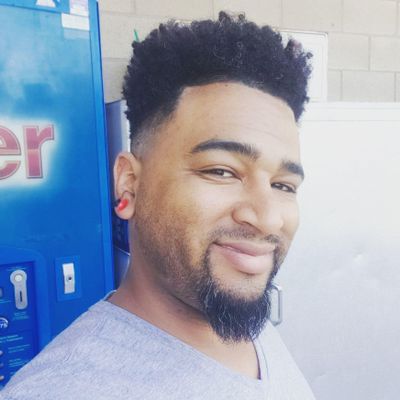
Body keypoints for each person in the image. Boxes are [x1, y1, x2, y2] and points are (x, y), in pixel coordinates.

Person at [1, 12, 315, 400]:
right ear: (129, 185)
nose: (267, 218)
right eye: (221, 171)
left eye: (283, 185)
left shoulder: (244, 321)